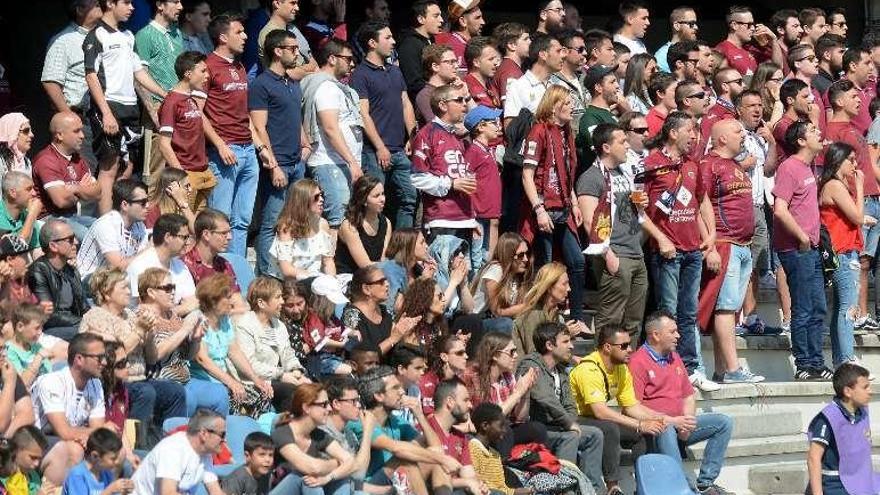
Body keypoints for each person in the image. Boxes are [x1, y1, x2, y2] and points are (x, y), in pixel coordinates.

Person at [642, 112, 719, 392]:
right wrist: (661, 238)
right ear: (673, 133)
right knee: (668, 313)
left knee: (688, 313)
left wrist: (710, 234)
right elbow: (639, 210)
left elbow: (701, 201)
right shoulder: (651, 164)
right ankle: (666, 369)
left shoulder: (692, 165)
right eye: (690, 130)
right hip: (668, 253)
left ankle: (691, 368)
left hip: (692, 252)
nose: (695, 136)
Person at [628, 311, 734, 495]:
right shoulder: (638, 361)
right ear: (656, 335)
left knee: (723, 422)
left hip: (679, 424)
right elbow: (633, 408)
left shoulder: (675, 357)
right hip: (655, 428)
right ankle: (682, 486)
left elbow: (688, 396)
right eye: (673, 332)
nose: (678, 335)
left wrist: (687, 421)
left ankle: (705, 483)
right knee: (665, 426)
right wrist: (671, 420)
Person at [80, 267, 188, 442]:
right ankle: (136, 444)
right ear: (107, 294)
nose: (129, 292)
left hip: (140, 378)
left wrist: (149, 334)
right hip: (113, 381)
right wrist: (139, 331)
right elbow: (114, 355)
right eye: (123, 287)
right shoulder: (95, 316)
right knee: (145, 392)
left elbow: (152, 358)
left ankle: (173, 442)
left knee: (175, 391)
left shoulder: (131, 315)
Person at [696, 120, 765, 384]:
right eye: (738, 132)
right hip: (725, 245)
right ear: (722, 138)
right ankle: (734, 370)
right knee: (725, 309)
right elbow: (698, 208)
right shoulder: (708, 165)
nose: (744, 137)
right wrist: (710, 245)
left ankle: (722, 370)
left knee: (729, 310)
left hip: (743, 245)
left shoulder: (735, 165)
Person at [84, 0, 167, 216]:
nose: (132, 8)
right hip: (110, 105)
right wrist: (106, 112)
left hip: (131, 108)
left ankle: (118, 217)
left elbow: (138, 72)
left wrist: (165, 94)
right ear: (110, 4)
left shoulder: (128, 36)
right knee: (109, 167)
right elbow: (91, 75)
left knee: (128, 166)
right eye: (127, 2)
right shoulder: (97, 34)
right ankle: (104, 224)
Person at [570, 325, 669, 495]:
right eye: (623, 346)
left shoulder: (621, 368)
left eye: (629, 344)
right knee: (610, 428)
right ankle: (612, 487)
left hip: (596, 417)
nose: (630, 349)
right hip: (574, 417)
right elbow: (600, 412)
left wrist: (657, 419)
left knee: (645, 432)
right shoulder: (589, 369)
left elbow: (631, 406)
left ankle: (645, 485)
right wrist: (639, 424)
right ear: (607, 347)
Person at [200, 13, 262, 258]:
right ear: (223, 37)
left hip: (248, 149)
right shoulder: (208, 66)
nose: (246, 36)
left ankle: (236, 268)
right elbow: (198, 110)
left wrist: (260, 147)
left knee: (243, 218)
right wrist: (219, 144)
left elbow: (243, 112)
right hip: (225, 151)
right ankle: (217, 270)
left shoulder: (239, 66)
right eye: (239, 32)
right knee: (220, 219)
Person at [580, 123, 651, 337]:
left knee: (634, 321)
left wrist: (641, 204)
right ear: (606, 147)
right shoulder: (591, 177)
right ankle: (603, 368)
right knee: (610, 320)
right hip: (615, 253)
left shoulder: (624, 173)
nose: (627, 146)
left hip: (635, 253)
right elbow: (589, 221)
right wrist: (608, 255)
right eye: (622, 142)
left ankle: (626, 369)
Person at [774, 120, 832, 381]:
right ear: (800, 141)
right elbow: (780, 209)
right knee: (805, 308)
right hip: (797, 248)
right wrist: (802, 237)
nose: (819, 133)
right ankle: (804, 364)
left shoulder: (807, 166)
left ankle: (817, 362)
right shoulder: (789, 168)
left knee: (818, 307)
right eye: (812, 131)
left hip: (811, 246)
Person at [516, 322, 604, 493]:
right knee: (570, 436)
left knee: (595, 434)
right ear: (549, 345)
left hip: (558, 426)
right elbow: (546, 399)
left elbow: (570, 405)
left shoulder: (561, 370)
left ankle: (593, 490)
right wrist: (569, 424)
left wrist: (569, 421)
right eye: (565, 341)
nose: (571, 345)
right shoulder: (531, 365)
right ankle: (565, 490)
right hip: (536, 429)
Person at [521, 86, 583, 326]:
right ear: (554, 105)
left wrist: (575, 201)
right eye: (567, 103)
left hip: (564, 207)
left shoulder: (567, 131)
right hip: (544, 206)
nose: (571, 107)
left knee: (576, 263)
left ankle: (576, 319)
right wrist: (538, 210)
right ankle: (541, 319)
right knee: (545, 267)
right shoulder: (539, 131)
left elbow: (567, 172)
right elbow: (527, 175)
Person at [250, 29, 308, 277]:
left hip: (297, 162)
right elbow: (259, 127)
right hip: (278, 164)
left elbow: (296, 119)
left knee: (293, 222)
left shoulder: (292, 83)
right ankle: (265, 274)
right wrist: (273, 165)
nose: (298, 53)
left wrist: (306, 144)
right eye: (293, 49)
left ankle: (287, 268)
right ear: (277, 51)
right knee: (271, 222)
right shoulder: (262, 84)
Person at [345, 366, 457, 492]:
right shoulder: (362, 420)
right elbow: (395, 448)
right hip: (368, 485)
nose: (402, 392)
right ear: (379, 396)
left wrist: (419, 414)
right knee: (406, 459)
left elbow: (436, 447)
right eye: (395, 388)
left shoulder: (396, 420)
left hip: (394, 477)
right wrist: (442, 459)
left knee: (433, 458)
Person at [351, 20, 419, 229]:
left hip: (399, 149)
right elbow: (363, 113)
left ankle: (402, 250)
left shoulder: (395, 71)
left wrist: (412, 136)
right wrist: (380, 147)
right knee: (372, 203)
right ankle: (374, 248)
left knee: (409, 198)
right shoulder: (360, 75)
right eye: (387, 37)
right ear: (372, 42)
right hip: (374, 152)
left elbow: (406, 103)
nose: (393, 41)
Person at [138, 266, 229, 416]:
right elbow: (154, 355)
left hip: (184, 379)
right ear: (151, 292)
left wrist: (195, 339)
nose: (173, 292)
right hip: (159, 381)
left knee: (220, 394)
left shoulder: (172, 316)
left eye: (173, 287)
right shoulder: (143, 317)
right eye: (167, 288)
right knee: (188, 398)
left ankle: (215, 436)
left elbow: (187, 356)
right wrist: (185, 330)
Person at [411, 83, 479, 262]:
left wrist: (473, 217)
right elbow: (417, 178)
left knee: (463, 279)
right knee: (444, 278)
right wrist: (451, 184)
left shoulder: (457, 137)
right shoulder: (427, 134)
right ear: (442, 105)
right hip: (442, 221)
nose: (464, 104)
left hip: (465, 218)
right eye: (459, 100)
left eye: (465, 100)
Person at [302, 39, 364, 233]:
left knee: (347, 220)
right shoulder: (325, 87)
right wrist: (351, 162)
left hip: (341, 162)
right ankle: (332, 263)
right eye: (348, 59)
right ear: (332, 59)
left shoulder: (335, 87)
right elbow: (330, 128)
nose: (352, 63)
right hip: (330, 162)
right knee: (338, 220)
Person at [191, 273, 273, 417]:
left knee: (262, 394)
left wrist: (256, 379)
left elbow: (234, 352)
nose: (232, 303)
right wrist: (231, 383)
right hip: (204, 380)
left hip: (223, 379)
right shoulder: (198, 320)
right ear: (213, 300)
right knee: (235, 397)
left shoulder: (225, 320)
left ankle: (253, 431)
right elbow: (202, 359)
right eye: (228, 298)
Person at [32, 333, 108, 485]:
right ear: (79, 359)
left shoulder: (96, 384)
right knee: (75, 449)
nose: (105, 362)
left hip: (68, 438)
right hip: (35, 439)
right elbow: (64, 432)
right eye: (99, 358)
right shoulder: (51, 381)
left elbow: (97, 430)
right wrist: (96, 432)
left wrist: (91, 435)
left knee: (110, 451)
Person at [40, 0, 103, 176]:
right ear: (79, 9)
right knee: (85, 175)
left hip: (106, 118)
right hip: (82, 120)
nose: (101, 5)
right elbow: (50, 81)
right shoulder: (63, 41)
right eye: (95, 4)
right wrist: (70, 119)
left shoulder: (105, 36)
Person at [819, 143, 866, 370]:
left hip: (846, 251)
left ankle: (842, 359)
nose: (855, 165)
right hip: (842, 253)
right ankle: (846, 358)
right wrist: (859, 186)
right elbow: (857, 216)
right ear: (838, 161)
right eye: (851, 160)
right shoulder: (835, 185)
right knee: (849, 307)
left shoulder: (837, 185)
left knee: (842, 307)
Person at [737, 90, 779, 336]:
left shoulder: (759, 137)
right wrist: (745, 163)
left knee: (753, 265)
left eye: (760, 105)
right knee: (742, 265)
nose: (757, 110)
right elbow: (719, 164)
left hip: (758, 205)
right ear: (739, 109)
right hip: (738, 206)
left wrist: (772, 142)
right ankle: (737, 318)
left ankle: (751, 318)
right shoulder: (732, 133)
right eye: (750, 105)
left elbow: (768, 170)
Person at [270, 383, 360, 494]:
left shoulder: (319, 435)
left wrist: (329, 477)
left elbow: (352, 462)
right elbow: (311, 467)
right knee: (305, 477)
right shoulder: (282, 433)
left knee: (342, 480)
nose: (329, 408)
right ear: (306, 408)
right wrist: (337, 463)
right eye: (324, 404)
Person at [236, 276, 309, 411]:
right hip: (253, 381)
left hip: (275, 377)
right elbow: (249, 364)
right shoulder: (244, 325)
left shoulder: (279, 325)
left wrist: (295, 370)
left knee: (312, 389)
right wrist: (282, 375)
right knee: (292, 392)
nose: (282, 301)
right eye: (278, 297)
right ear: (261, 303)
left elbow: (288, 353)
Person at [806, 362, 879, 495]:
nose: (870, 391)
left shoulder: (862, 411)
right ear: (847, 391)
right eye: (865, 387)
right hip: (836, 484)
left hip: (861, 478)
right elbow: (813, 458)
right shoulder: (828, 418)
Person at [134, 0, 185, 191]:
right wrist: (153, 112)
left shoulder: (177, 34)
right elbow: (139, 77)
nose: (180, 7)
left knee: (178, 171)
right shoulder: (145, 35)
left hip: (180, 113)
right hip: (158, 113)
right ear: (160, 5)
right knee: (155, 175)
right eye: (175, 1)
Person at [157, 50, 215, 215]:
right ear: (188, 74)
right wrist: (182, 176)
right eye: (202, 71)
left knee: (196, 229)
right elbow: (164, 144)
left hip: (202, 174)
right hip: (186, 175)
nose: (207, 76)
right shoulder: (171, 102)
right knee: (181, 226)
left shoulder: (190, 100)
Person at [31, 112, 101, 241]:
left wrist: (75, 189)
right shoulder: (47, 160)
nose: (82, 136)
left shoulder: (77, 159)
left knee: (103, 228)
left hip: (72, 216)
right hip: (49, 219)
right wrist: (82, 191)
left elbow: (97, 193)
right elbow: (61, 201)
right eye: (76, 131)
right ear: (59, 135)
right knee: (88, 239)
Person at [131, 409, 226, 495]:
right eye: (222, 435)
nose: (224, 440)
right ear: (204, 434)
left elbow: (216, 492)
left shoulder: (205, 454)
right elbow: (168, 493)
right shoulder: (173, 449)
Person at [75, 179, 149, 285]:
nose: (148, 206)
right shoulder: (106, 225)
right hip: (89, 283)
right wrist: (150, 250)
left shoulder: (139, 225)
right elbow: (118, 267)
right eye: (143, 203)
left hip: (117, 282)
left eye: (148, 201)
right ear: (124, 205)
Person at [26, 220, 87, 341]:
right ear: (53, 246)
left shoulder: (72, 271)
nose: (76, 242)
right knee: (92, 334)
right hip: (49, 329)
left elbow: (83, 307)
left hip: (74, 323)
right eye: (70, 239)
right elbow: (48, 315)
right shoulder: (38, 271)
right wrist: (84, 322)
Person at [342, 265, 421, 356]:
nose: (387, 284)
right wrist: (392, 339)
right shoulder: (351, 315)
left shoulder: (384, 311)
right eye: (381, 282)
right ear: (366, 289)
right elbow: (363, 357)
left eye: (386, 280)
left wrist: (404, 331)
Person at [425, 379, 486, 495]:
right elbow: (428, 481)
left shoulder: (461, 437)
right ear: (450, 402)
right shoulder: (425, 430)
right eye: (466, 400)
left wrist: (479, 485)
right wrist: (466, 483)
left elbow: (468, 474)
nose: (470, 405)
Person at [126, 213, 197, 311]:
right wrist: (180, 310)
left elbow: (193, 301)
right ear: (168, 237)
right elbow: (143, 309)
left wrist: (175, 312)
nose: (187, 242)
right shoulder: (140, 265)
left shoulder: (180, 266)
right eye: (183, 237)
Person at [270, 179, 335, 280]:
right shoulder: (286, 227)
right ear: (303, 200)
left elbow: (328, 262)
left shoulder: (323, 225)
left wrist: (332, 282)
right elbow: (287, 270)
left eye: (322, 195)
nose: (321, 199)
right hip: (286, 284)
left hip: (314, 281)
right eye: (316, 197)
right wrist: (314, 277)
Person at [320, 376, 376, 492]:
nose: (359, 405)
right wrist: (367, 432)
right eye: (353, 401)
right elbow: (359, 473)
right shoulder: (323, 432)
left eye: (358, 400)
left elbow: (358, 480)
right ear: (336, 403)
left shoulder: (349, 433)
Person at [468, 403, 537, 495]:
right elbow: (479, 485)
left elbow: (501, 488)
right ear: (485, 426)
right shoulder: (472, 449)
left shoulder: (495, 454)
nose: (504, 430)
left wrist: (515, 492)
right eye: (501, 426)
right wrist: (514, 493)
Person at [512, 262, 578, 355]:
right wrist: (563, 334)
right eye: (564, 284)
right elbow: (535, 355)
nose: (569, 289)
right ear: (549, 287)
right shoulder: (532, 315)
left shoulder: (554, 313)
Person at [463, 105, 503, 258]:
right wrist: (471, 213)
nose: (497, 125)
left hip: (488, 213)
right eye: (493, 122)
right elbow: (467, 181)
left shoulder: (486, 150)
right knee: (477, 256)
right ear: (481, 126)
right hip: (477, 215)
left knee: (485, 256)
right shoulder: (473, 151)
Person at [471, 233, 531, 332]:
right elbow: (497, 311)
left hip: (494, 320)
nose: (526, 259)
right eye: (521, 255)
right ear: (509, 255)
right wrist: (528, 305)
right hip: (477, 321)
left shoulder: (515, 274)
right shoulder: (495, 270)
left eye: (526, 254)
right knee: (506, 324)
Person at [336, 176, 391, 275]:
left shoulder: (386, 223)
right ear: (364, 200)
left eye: (383, 194)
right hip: (351, 276)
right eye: (376, 196)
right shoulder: (349, 226)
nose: (382, 199)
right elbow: (365, 265)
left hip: (376, 274)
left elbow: (384, 259)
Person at [378, 229, 437, 312]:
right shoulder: (390, 269)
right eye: (422, 242)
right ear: (409, 245)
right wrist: (423, 281)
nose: (427, 246)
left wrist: (429, 278)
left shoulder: (417, 270)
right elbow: (398, 307)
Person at [714, 5, 781, 77]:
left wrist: (774, 40)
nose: (752, 28)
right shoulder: (721, 50)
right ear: (734, 25)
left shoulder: (752, 49)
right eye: (749, 25)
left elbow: (777, 69)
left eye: (753, 24)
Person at [61, 427, 132, 495]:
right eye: (113, 458)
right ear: (95, 456)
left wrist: (124, 491)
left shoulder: (106, 473)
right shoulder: (77, 476)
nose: (116, 462)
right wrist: (110, 490)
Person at [256, 0, 316, 80]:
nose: (297, 8)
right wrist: (313, 73)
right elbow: (288, 73)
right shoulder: (268, 33)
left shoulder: (292, 28)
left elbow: (314, 64)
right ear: (277, 3)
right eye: (292, 3)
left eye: (297, 3)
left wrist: (302, 70)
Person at [182, 208, 240, 289]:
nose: (230, 237)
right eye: (224, 233)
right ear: (206, 235)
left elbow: (236, 297)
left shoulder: (224, 264)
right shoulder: (185, 265)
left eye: (230, 232)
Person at [577, 64, 620, 168]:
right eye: (612, 82)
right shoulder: (590, 118)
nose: (617, 86)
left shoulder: (609, 114)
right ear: (598, 88)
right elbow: (603, 153)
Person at [397, 0, 443, 99]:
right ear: (421, 19)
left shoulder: (430, 40)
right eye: (436, 16)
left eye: (440, 15)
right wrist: (440, 91)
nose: (441, 20)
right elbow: (414, 83)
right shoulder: (409, 45)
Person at [5, 304, 52, 389]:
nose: (40, 332)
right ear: (20, 327)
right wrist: (39, 357)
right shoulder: (10, 351)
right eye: (37, 328)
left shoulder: (36, 346)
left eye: (41, 328)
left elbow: (49, 372)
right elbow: (22, 383)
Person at [550, 30, 588, 135]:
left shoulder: (586, 79)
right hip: (568, 143)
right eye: (580, 49)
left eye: (585, 49)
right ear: (564, 51)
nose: (585, 53)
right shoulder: (552, 82)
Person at [146, 159, 198, 233]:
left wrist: (183, 205)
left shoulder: (182, 209)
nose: (190, 190)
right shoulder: (153, 211)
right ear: (171, 189)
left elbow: (197, 233)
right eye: (186, 186)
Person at [435, 0, 484, 75]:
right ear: (463, 21)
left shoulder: (466, 43)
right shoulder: (454, 47)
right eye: (477, 18)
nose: (483, 22)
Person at [488, 23, 530, 105]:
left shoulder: (511, 68)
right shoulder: (510, 72)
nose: (530, 42)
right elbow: (509, 110)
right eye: (525, 39)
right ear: (512, 45)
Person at [0, 172, 42, 249]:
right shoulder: (30, 215)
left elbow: (36, 250)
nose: (34, 193)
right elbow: (14, 250)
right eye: (29, 189)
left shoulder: (26, 214)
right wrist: (32, 215)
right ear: (13, 193)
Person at [655, 7, 698, 73]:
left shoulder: (696, 51)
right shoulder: (662, 56)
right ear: (677, 26)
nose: (696, 27)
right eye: (691, 24)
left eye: (695, 24)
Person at [0, 114, 34, 183]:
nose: (31, 135)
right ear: (12, 132)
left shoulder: (26, 162)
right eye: (26, 131)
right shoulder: (1, 162)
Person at [769, 9, 803, 75]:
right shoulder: (770, 51)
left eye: (800, 26)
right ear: (781, 30)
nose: (801, 30)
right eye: (795, 26)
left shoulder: (797, 51)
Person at [644, 72, 678, 137]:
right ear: (660, 94)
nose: (679, 94)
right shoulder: (651, 122)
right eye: (675, 90)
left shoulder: (672, 117)